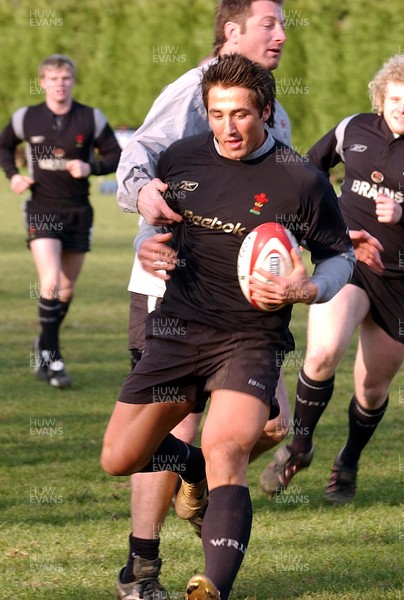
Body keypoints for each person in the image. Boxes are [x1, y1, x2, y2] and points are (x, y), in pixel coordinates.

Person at [101, 53, 355, 600]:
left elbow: (340, 256)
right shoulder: (180, 159)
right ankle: (189, 469)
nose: (228, 127)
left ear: (265, 111)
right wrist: (147, 250)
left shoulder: (302, 180)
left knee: (228, 448)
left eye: (240, 114)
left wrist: (308, 289)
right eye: (217, 114)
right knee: (118, 458)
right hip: (177, 328)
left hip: (250, 337)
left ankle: (211, 586)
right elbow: (153, 231)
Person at [114, 2, 293, 598]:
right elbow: (135, 159)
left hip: (247, 310)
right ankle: (141, 569)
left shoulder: (276, 114)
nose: (282, 34)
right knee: (181, 422)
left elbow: (288, 201)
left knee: (272, 424)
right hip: (174, 289)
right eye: (270, 23)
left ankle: (196, 477)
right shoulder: (191, 92)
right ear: (231, 31)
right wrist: (146, 207)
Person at [259, 52, 404, 504]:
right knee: (321, 355)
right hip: (348, 262)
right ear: (380, 99)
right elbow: (308, 170)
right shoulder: (352, 129)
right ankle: (299, 447)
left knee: (372, 388)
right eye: (394, 98)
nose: (402, 107)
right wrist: (322, 222)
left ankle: (349, 461)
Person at [0, 54, 121, 388]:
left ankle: (43, 343)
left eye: (65, 78)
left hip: (79, 210)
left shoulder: (90, 118)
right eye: (53, 78)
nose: (59, 84)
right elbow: (3, 146)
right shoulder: (27, 118)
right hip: (42, 208)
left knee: (66, 288)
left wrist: (91, 168)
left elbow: (115, 155)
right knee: (50, 280)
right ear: (42, 82)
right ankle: (53, 359)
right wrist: (13, 175)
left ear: (72, 81)